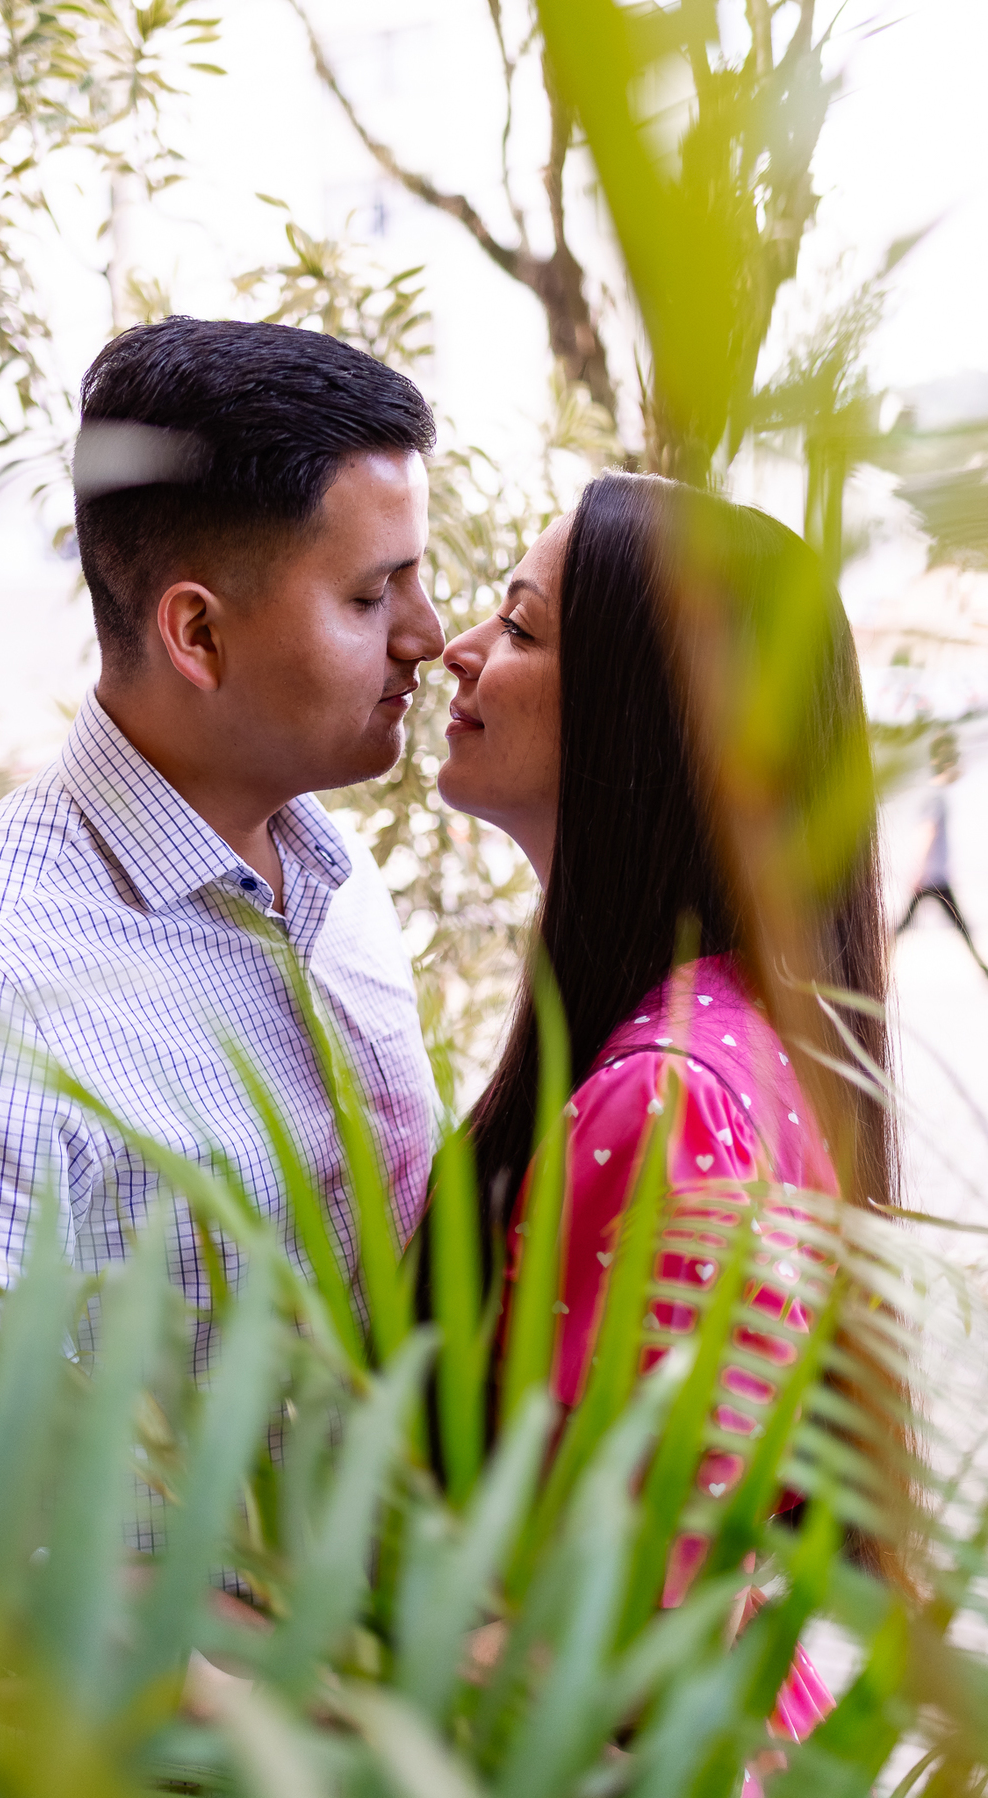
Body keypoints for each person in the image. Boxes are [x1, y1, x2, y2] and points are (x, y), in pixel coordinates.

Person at [0, 317, 444, 1430]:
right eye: (370, 597)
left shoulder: (333, 869)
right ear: (196, 635)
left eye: (418, 580)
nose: (429, 634)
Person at [438, 470, 898, 1758]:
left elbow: (609, 1639)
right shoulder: (751, 1031)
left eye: (521, 627)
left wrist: (230, 1670)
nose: (457, 649)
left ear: (649, 719)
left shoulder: (665, 1097)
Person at [895, 727, 986, 974]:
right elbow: (927, 832)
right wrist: (919, 871)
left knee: (906, 926)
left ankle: (877, 961)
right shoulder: (935, 794)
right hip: (932, 877)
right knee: (960, 927)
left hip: (932, 876)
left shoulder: (935, 792)